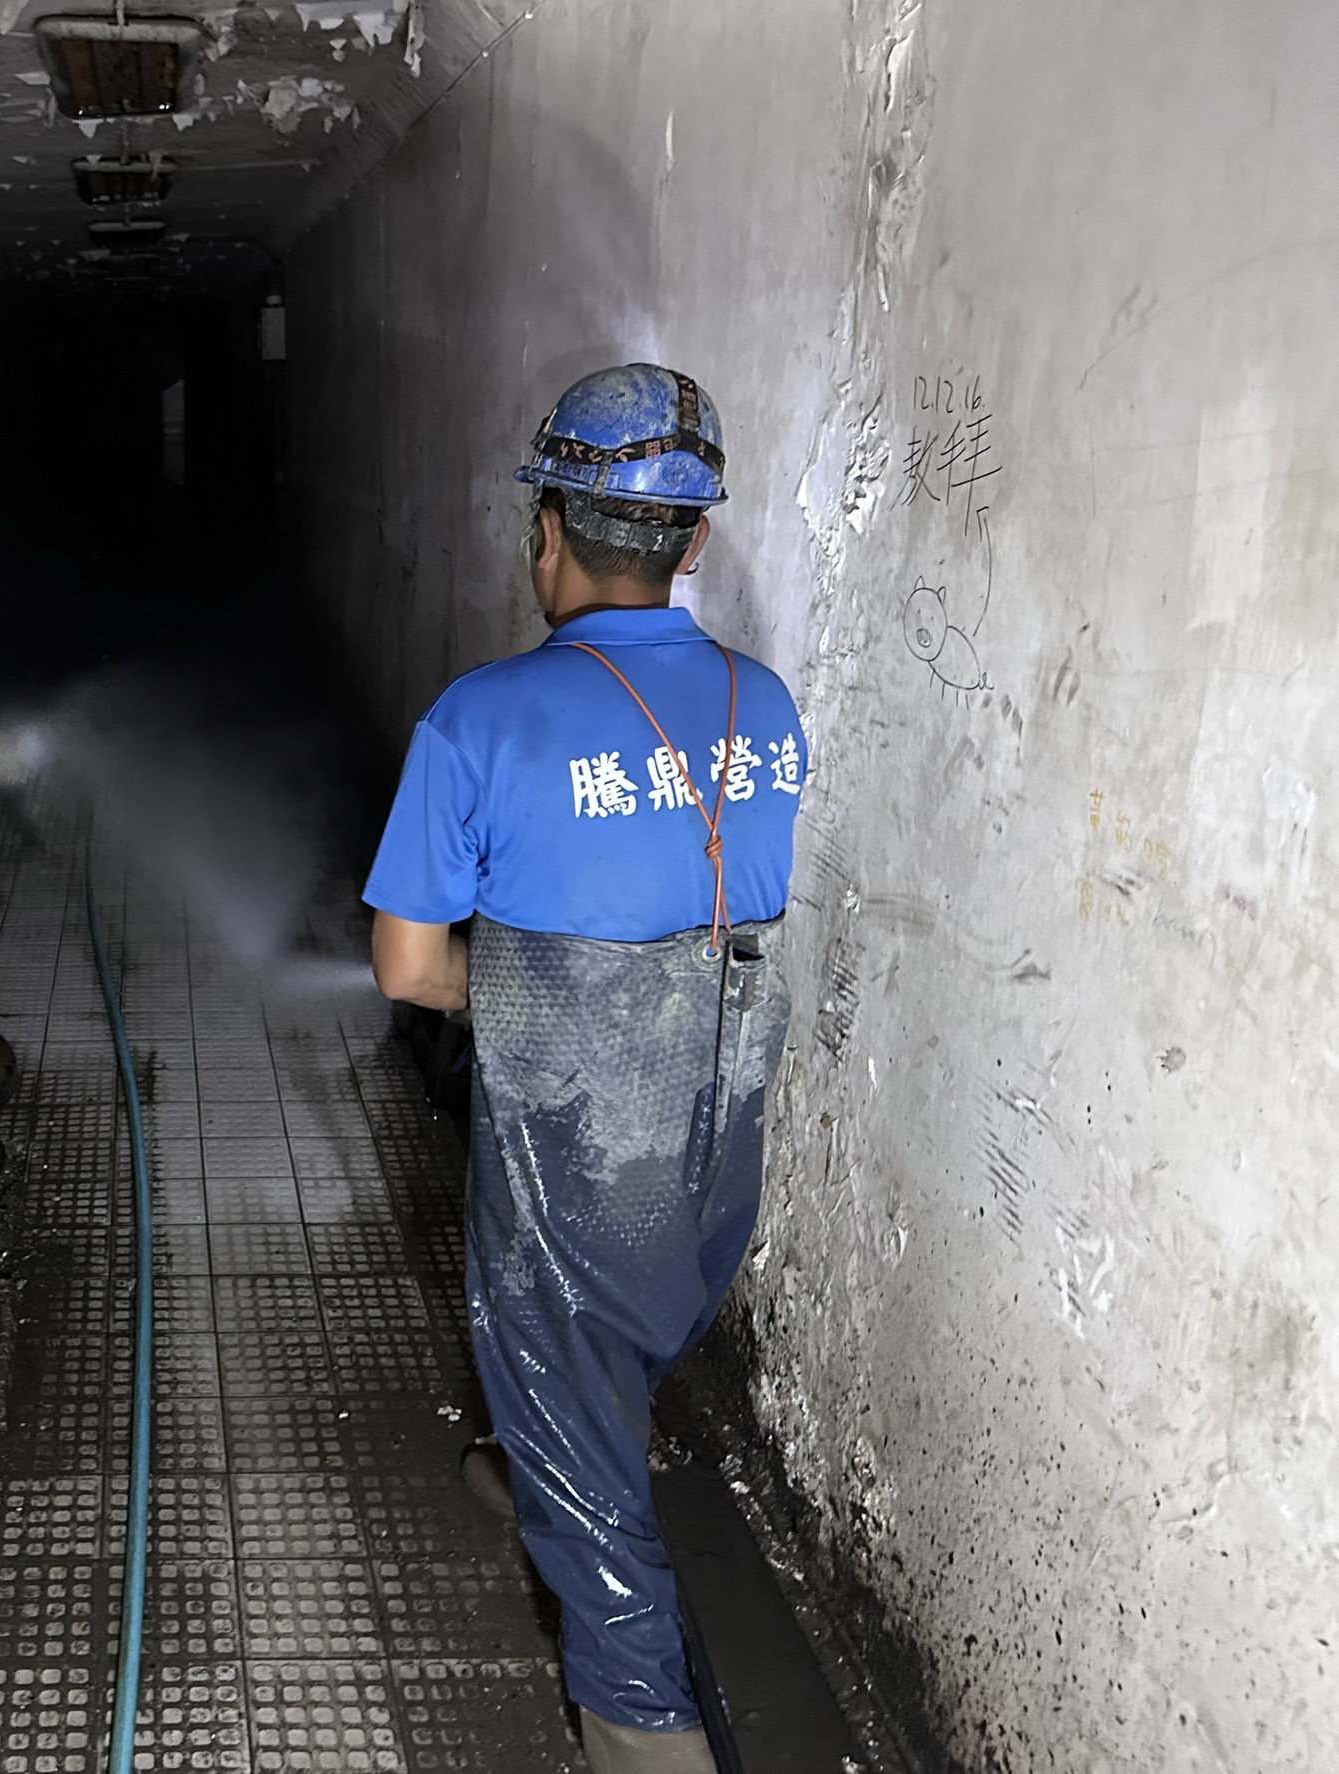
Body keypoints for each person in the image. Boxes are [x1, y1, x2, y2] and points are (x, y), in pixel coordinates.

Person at [363, 365, 807, 1774]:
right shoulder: (768, 705)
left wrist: (539, 1008)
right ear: (693, 544)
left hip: (581, 1151)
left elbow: (407, 966)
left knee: (563, 1377)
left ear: (548, 530)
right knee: (609, 1352)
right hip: (713, 1142)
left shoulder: (480, 721)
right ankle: (550, 1466)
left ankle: (641, 1730)